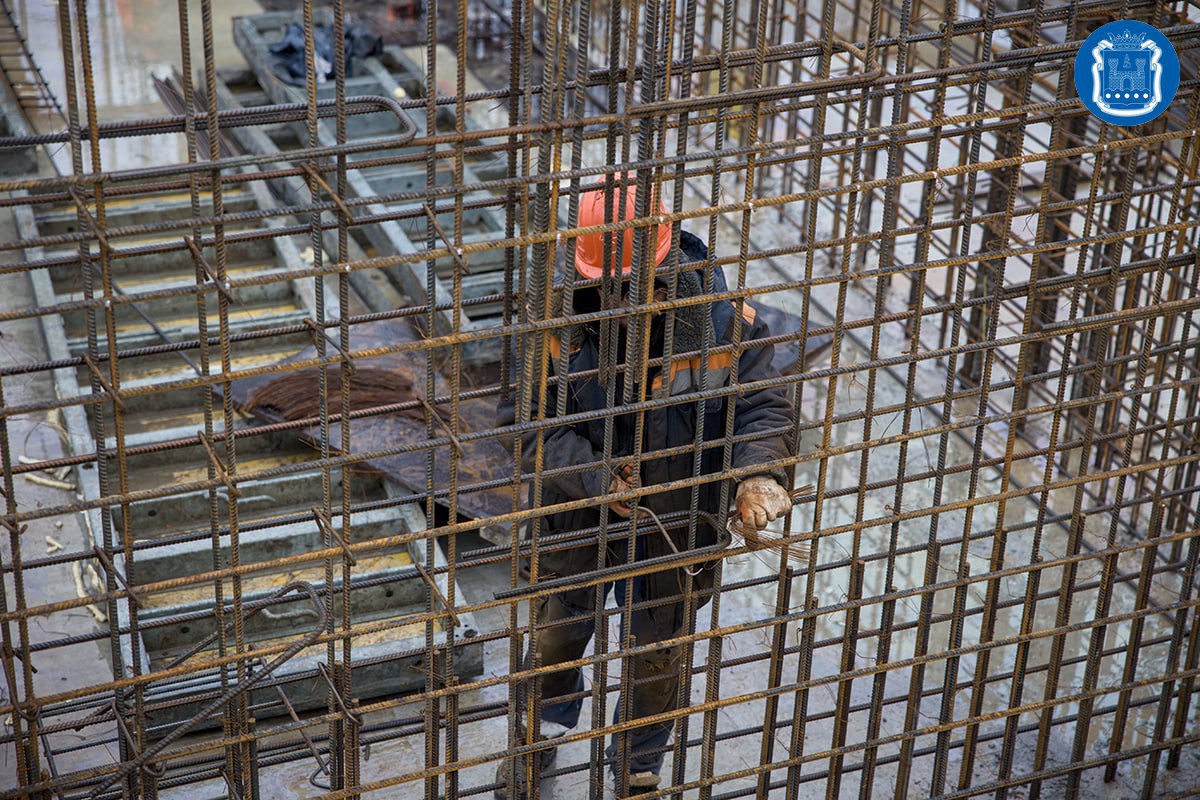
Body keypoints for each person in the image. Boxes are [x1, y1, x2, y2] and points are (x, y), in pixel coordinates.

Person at [495, 177, 794, 798]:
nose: (627, 302)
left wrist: (757, 473)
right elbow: (523, 426)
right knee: (555, 635)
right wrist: (596, 476)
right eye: (610, 288)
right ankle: (537, 738)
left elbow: (764, 408)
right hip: (576, 515)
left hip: (676, 522)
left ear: (669, 266)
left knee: (657, 650)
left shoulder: (724, 325)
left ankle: (637, 761)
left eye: (642, 286)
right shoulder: (552, 325)